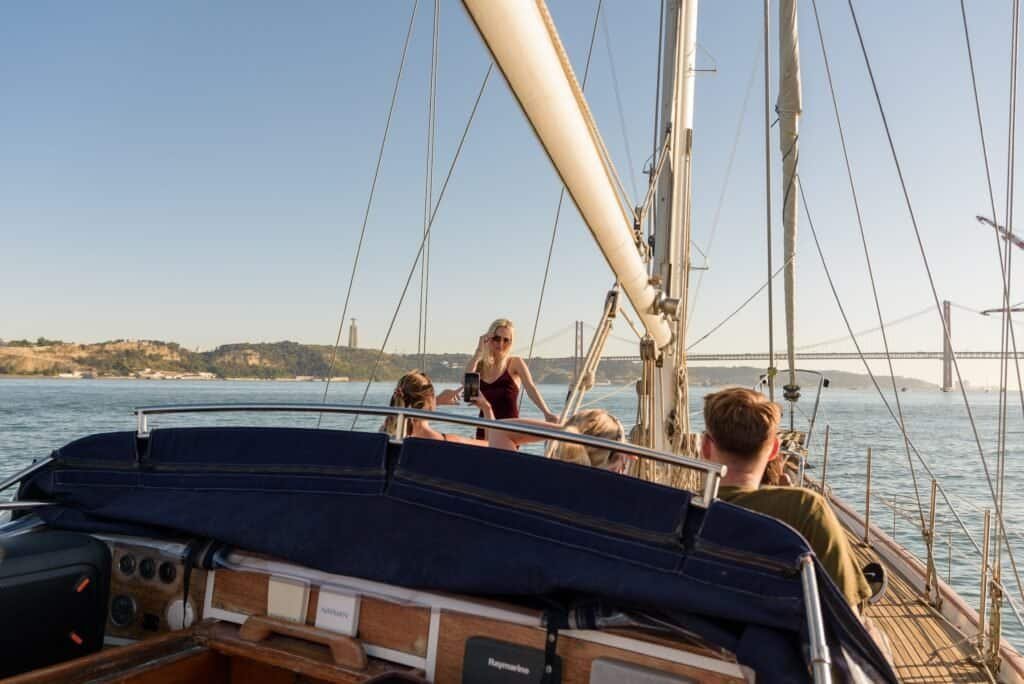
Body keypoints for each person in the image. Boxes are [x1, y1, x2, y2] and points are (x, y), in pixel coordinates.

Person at [700, 387, 871, 612]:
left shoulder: (676, 512)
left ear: (704, 446)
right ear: (773, 451)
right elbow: (847, 612)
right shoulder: (805, 510)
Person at [465, 319, 558, 438]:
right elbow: (468, 388)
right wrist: (479, 352)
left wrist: (547, 413)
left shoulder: (515, 363)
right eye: (497, 338)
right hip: (485, 427)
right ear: (489, 338)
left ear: (511, 342)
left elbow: (531, 388)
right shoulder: (481, 366)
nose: (501, 343)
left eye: (506, 340)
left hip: (509, 429)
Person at [488, 408, 629, 473]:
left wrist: (567, 432)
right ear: (616, 465)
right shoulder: (633, 506)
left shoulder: (536, 485)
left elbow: (498, 431)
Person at [382, 370, 491, 445]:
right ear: (430, 400)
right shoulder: (445, 441)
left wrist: (435, 401)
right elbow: (492, 447)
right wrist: (487, 408)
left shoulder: (385, 435)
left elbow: (401, 412)